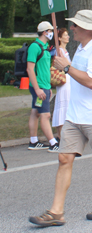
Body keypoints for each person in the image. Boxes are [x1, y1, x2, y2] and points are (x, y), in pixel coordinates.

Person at [30, 10, 92, 226]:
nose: (71, 28)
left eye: (75, 25)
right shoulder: (80, 47)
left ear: (87, 28)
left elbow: (91, 82)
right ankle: (56, 212)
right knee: (64, 158)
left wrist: (67, 68)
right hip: (75, 114)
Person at [27, 21, 59, 152]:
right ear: (45, 32)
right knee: (45, 115)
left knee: (36, 112)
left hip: (43, 86)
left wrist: (48, 88)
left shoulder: (45, 47)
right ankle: (53, 143)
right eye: (51, 30)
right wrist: (38, 89)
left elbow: (45, 69)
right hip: (39, 87)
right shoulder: (35, 47)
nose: (52, 33)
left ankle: (33, 141)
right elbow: (30, 69)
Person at [52, 28, 71, 141]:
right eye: (65, 35)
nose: (67, 37)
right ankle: (60, 134)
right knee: (62, 106)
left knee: (65, 106)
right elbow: (64, 65)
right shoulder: (59, 51)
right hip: (63, 80)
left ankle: (63, 133)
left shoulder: (64, 50)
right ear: (59, 38)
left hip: (67, 80)